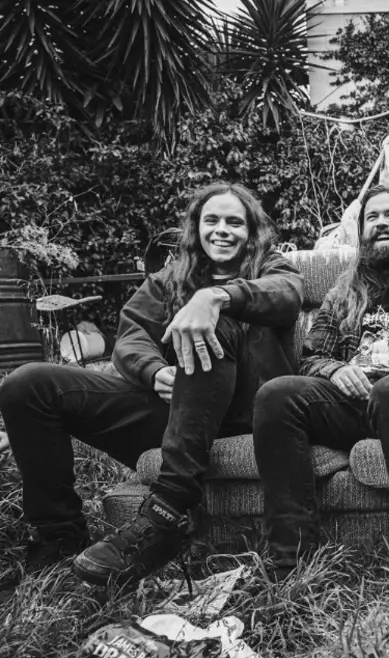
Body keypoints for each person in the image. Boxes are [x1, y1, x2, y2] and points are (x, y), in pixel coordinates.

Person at [0, 182, 303, 587]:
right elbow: (132, 337)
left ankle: (167, 512)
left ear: (251, 232)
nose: (222, 230)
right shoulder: (168, 280)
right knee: (28, 384)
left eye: (235, 222)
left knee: (209, 326)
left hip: (246, 415)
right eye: (212, 220)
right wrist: (155, 371)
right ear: (196, 227)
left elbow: (287, 295)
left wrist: (215, 298)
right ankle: (59, 539)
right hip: (179, 414)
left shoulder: (273, 268)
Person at [252, 185, 389, 576]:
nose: (381, 223)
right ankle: (291, 563)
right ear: (361, 232)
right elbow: (311, 358)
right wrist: (335, 370)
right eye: (372, 217)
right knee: (277, 394)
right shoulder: (343, 294)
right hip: (353, 404)